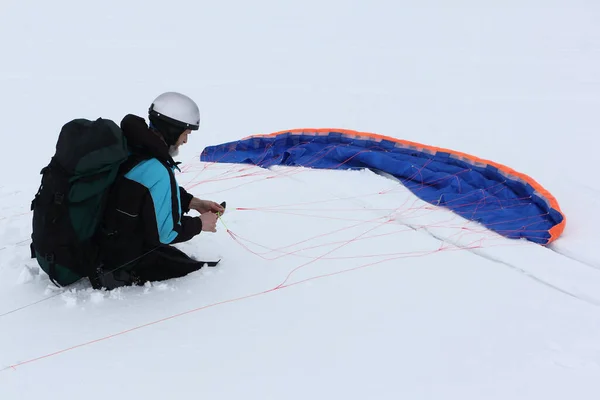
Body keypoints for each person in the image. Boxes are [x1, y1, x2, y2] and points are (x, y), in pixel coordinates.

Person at [91, 92, 224, 290]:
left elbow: (145, 192)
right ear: (172, 130)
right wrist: (199, 224)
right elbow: (167, 233)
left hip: (100, 239)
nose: (186, 141)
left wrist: (195, 203)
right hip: (119, 256)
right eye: (186, 133)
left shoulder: (133, 145)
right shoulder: (157, 168)